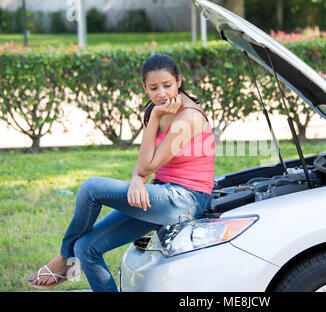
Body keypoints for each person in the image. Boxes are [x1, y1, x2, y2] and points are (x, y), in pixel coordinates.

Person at [27, 54, 215, 292]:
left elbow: (149, 165)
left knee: (90, 189)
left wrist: (154, 121)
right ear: (144, 87)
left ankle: (64, 259)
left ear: (179, 81)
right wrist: (137, 180)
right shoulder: (154, 109)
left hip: (186, 200)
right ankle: (72, 257)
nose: (162, 93)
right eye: (154, 87)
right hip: (160, 191)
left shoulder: (188, 117)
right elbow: (143, 162)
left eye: (167, 85)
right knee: (86, 248)